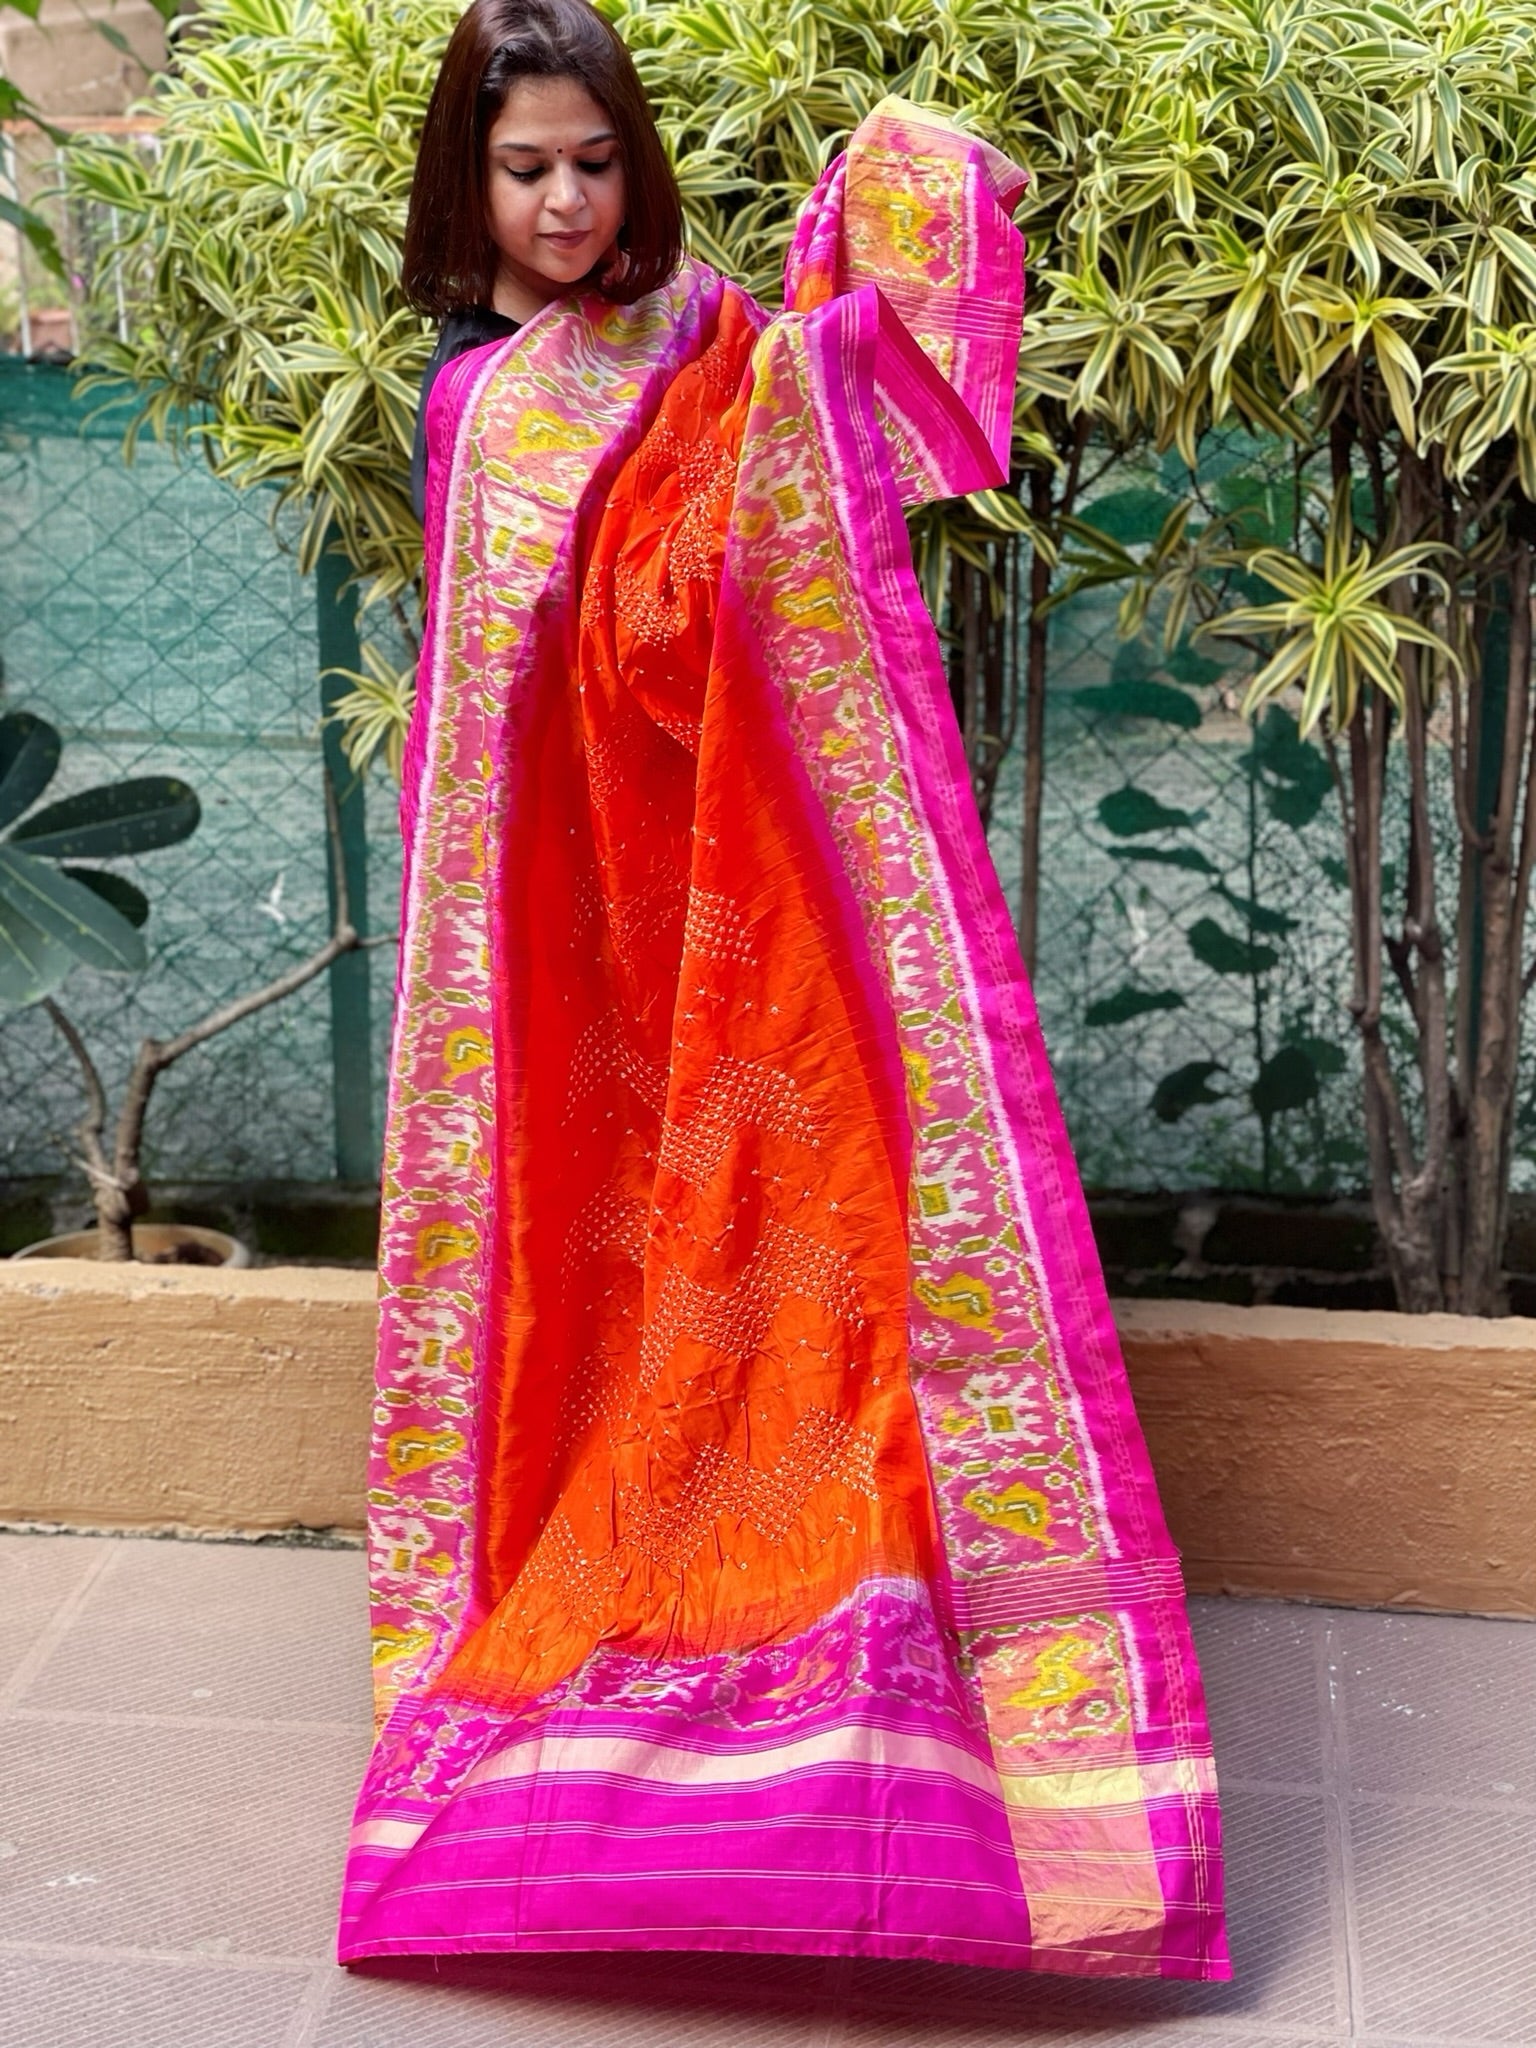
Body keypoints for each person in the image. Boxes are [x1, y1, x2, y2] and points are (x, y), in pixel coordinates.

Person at [341, 0, 1228, 1981]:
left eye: (592, 159)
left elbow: (774, 550)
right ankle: (581, 1688)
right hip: (563, 971)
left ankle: (916, 1729)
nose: (567, 199)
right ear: (463, 183)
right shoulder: (474, 406)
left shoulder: (723, 340)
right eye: (524, 167)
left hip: (757, 925)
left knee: (813, 1299)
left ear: (632, 160)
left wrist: (867, 269)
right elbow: (492, 721)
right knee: (584, 1312)